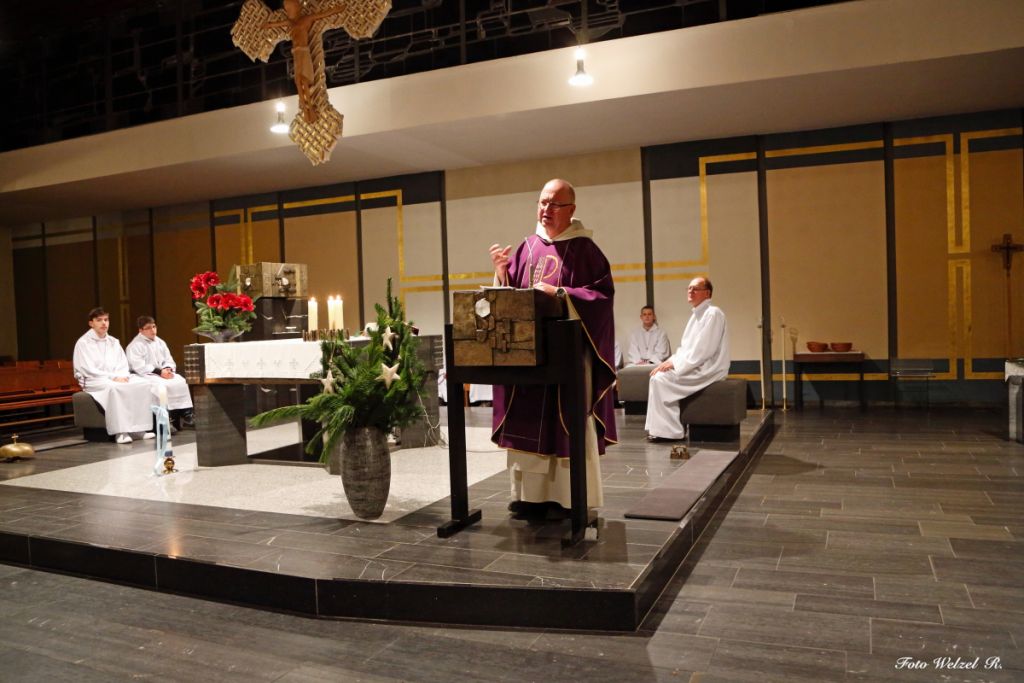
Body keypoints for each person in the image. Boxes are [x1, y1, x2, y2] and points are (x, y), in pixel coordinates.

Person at [488, 178, 617, 513]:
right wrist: (501, 275)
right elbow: (510, 300)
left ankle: (569, 499)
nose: (546, 209)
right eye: (542, 202)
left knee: (565, 422)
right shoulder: (526, 247)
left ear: (571, 209)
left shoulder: (586, 250)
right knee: (528, 420)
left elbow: (602, 299)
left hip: (567, 358)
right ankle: (529, 499)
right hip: (528, 357)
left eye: (554, 204)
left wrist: (560, 294)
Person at [645, 277, 730, 442]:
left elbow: (704, 349)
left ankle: (671, 432)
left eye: (695, 288)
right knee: (657, 376)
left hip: (709, 367)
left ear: (707, 293)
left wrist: (675, 364)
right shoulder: (696, 315)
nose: (690, 291)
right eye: (689, 288)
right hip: (695, 363)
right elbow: (685, 348)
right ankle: (660, 429)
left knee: (661, 380)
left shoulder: (713, 313)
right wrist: (671, 361)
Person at [73, 307, 156, 444]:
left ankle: (138, 429)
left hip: (117, 377)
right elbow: (88, 369)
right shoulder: (83, 343)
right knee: (115, 388)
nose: (103, 323)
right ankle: (120, 432)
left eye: (106, 320)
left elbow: (122, 364)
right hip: (94, 380)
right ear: (91, 323)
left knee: (142, 384)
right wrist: (113, 377)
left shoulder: (113, 341)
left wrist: (122, 376)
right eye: (99, 320)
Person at [126, 316, 194, 429]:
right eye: (148, 328)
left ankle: (187, 414)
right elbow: (139, 366)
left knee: (180, 381)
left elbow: (168, 359)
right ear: (140, 330)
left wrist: (168, 369)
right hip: (144, 375)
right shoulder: (135, 345)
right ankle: (166, 420)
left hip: (162, 373)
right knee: (160, 386)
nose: (152, 330)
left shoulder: (160, 342)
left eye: (154, 327)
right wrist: (159, 372)